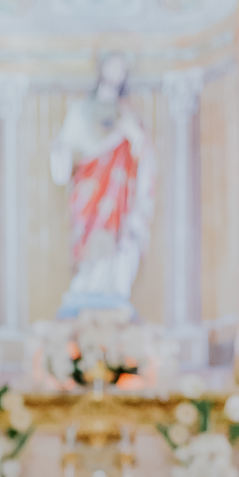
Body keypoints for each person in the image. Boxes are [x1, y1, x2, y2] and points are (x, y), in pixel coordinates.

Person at [49, 52, 156, 317]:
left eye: (121, 67)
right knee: (89, 234)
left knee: (116, 238)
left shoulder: (128, 114)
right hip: (90, 185)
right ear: (101, 69)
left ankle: (111, 287)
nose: (115, 72)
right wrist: (60, 153)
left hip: (118, 189)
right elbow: (64, 150)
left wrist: (133, 136)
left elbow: (144, 155)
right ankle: (87, 284)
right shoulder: (81, 111)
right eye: (111, 65)